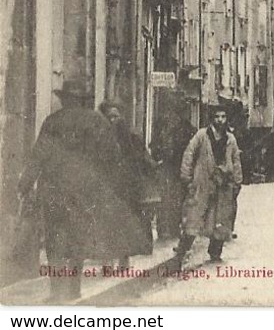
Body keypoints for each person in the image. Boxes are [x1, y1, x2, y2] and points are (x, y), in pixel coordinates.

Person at [17, 79, 131, 300]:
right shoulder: (97, 122)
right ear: (82, 101)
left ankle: (56, 291)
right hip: (84, 192)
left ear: (65, 100)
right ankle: (73, 289)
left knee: (54, 240)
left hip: (53, 192)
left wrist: (25, 184)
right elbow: (113, 157)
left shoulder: (52, 121)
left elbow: (38, 155)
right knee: (77, 239)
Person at [175, 106, 243, 263]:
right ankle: (182, 249)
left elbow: (236, 161)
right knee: (194, 216)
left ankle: (215, 252)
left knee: (221, 218)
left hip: (223, 184)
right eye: (217, 116)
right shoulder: (202, 136)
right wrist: (186, 176)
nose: (220, 120)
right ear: (212, 118)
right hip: (203, 182)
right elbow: (189, 153)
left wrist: (237, 182)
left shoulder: (230, 139)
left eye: (223, 117)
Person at [99, 101, 157, 259]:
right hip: (112, 184)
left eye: (115, 117)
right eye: (109, 117)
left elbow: (143, 159)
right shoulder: (102, 137)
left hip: (131, 183)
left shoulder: (132, 137)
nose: (113, 121)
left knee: (135, 216)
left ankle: (138, 249)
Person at [151, 94, 195, 240]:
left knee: (167, 198)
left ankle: (165, 228)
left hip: (170, 166)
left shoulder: (163, 123)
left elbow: (155, 144)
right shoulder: (183, 126)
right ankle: (170, 228)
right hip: (173, 166)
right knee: (174, 198)